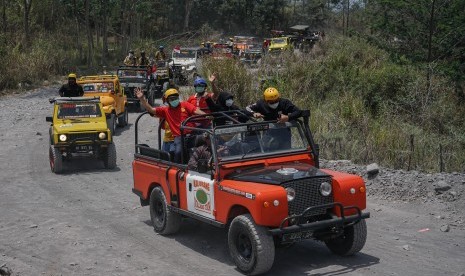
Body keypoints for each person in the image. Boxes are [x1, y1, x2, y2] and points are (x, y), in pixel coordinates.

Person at [135, 87, 205, 163]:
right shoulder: (165, 110)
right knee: (178, 152)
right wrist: (142, 99)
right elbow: (151, 110)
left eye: (175, 98)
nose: (174, 100)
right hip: (179, 136)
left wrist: (207, 116)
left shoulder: (185, 104)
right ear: (167, 101)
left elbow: (196, 111)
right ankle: (178, 168)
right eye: (172, 99)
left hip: (192, 134)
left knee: (208, 139)